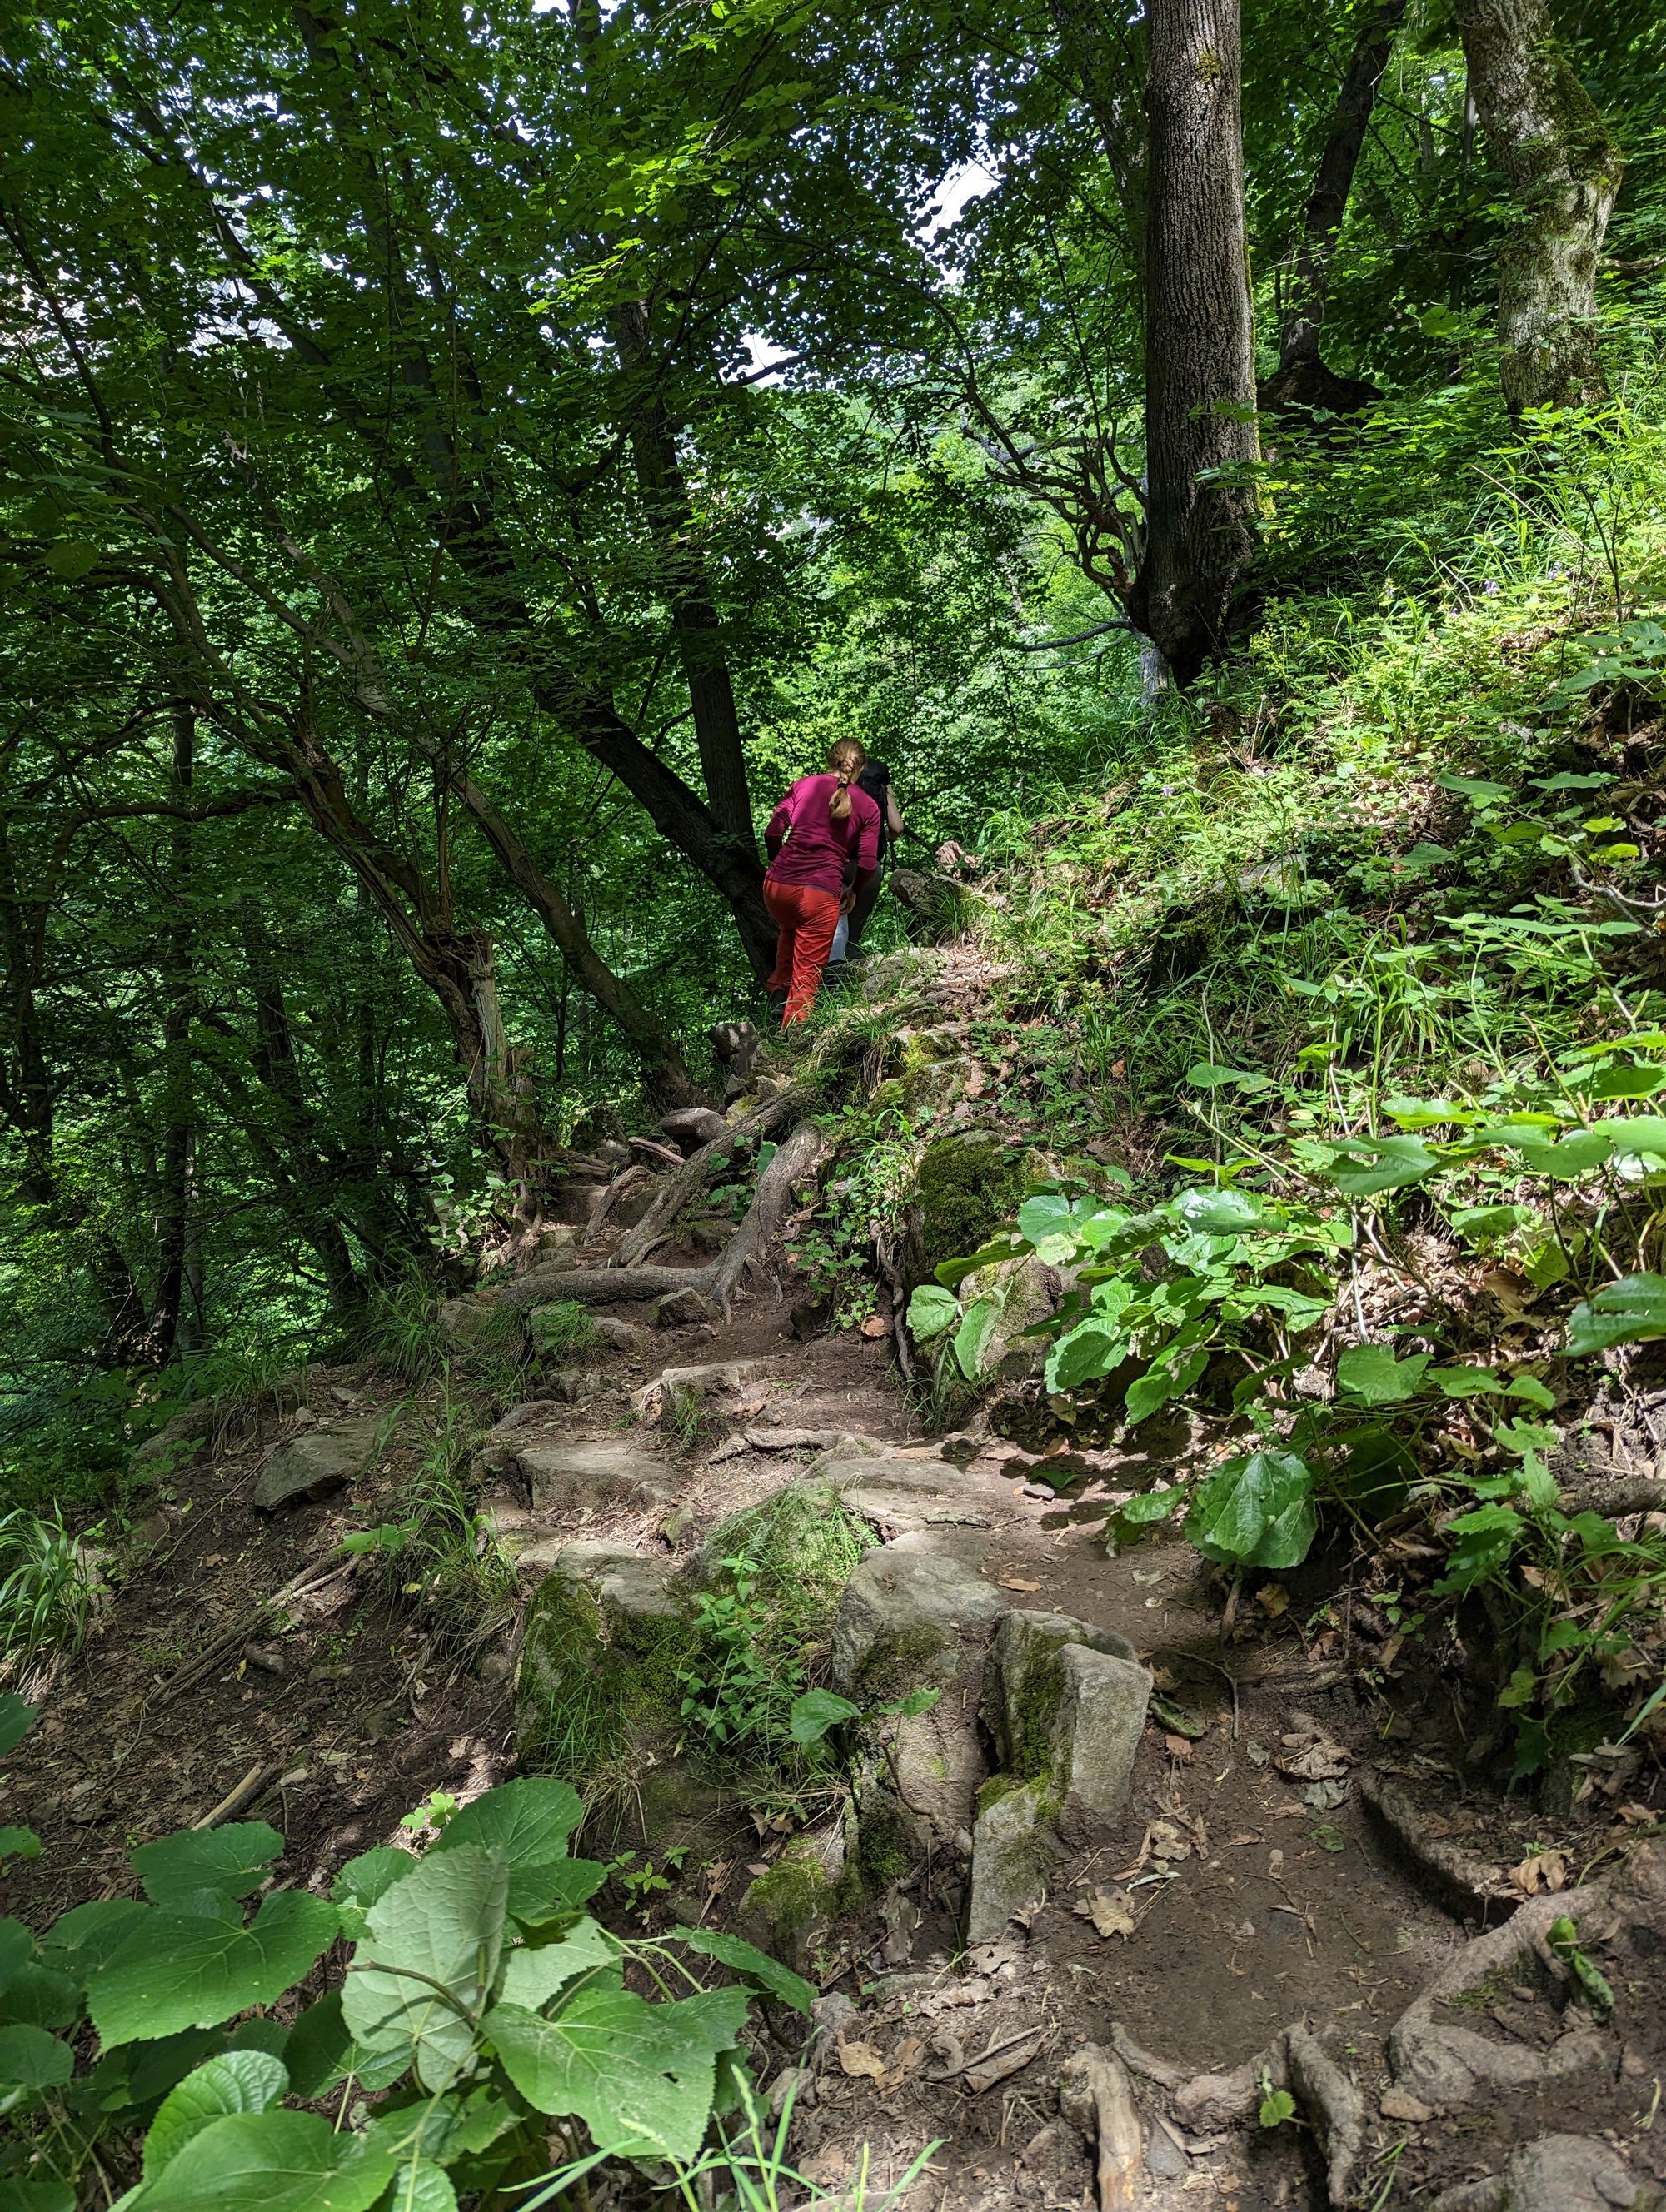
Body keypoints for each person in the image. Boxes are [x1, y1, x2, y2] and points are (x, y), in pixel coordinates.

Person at [762, 738, 880, 1025]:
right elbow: (867, 862)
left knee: (790, 930)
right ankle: (793, 1038)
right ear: (861, 767)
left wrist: (779, 863)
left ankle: (777, 999)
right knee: (808, 976)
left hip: (776, 889)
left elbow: (773, 832)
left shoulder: (803, 785)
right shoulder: (868, 806)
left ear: (830, 760)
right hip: (818, 894)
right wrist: (854, 890)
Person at [829, 756, 905, 965]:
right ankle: (847, 975)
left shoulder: (833, 783)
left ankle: (831, 971)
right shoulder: (882, 784)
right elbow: (897, 827)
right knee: (854, 928)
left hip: (834, 861)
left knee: (836, 918)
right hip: (868, 866)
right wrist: (885, 834)